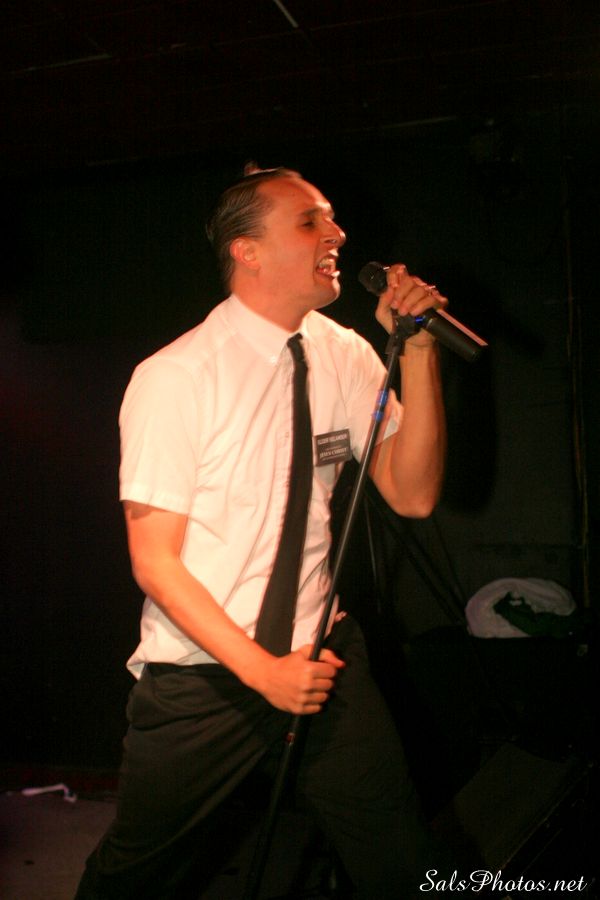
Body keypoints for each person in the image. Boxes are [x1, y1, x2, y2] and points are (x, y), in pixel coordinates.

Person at [75, 165, 447, 899]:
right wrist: (259, 671)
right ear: (246, 250)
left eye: (332, 218)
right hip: (208, 673)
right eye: (311, 220)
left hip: (320, 654)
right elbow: (155, 563)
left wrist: (419, 350)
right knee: (138, 878)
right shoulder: (177, 376)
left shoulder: (345, 353)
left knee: (401, 860)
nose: (337, 233)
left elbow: (413, 494)